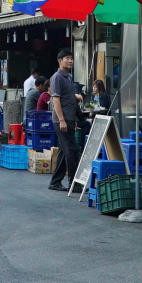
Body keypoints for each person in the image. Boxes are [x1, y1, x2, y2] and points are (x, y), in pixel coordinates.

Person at [48, 48, 82, 192]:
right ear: (60, 61)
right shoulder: (57, 77)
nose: (70, 61)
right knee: (71, 149)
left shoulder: (68, 77)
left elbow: (69, 100)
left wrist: (73, 119)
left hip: (68, 118)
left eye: (71, 58)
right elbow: (56, 100)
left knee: (63, 150)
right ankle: (74, 183)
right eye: (67, 58)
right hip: (60, 119)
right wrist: (62, 120)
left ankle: (55, 182)